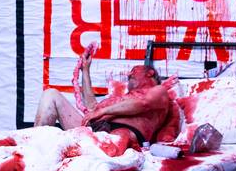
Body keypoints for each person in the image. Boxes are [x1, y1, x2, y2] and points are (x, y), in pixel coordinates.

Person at [34, 49, 179, 150]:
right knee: (51, 94)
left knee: (115, 140)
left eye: (134, 70)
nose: (129, 74)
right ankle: (32, 149)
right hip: (92, 131)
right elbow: (92, 107)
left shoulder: (159, 91)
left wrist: (102, 111)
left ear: (150, 73)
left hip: (121, 135)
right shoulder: (121, 98)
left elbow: (143, 104)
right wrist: (85, 70)